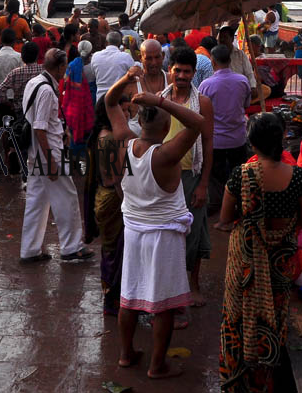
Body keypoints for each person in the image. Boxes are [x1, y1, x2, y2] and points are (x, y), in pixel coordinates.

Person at [104, 66, 204, 379]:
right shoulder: (165, 154)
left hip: (134, 230)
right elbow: (197, 122)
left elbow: (109, 102)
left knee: (129, 297)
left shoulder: (123, 142)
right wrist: (161, 101)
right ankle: (157, 365)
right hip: (163, 235)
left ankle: (125, 354)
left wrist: (125, 80)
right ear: (164, 127)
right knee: (163, 304)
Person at [219, 113, 302, 392]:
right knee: (274, 317)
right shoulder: (297, 177)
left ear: (251, 142)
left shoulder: (241, 175)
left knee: (238, 319)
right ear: (281, 139)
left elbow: (225, 217)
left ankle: (239, 380)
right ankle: (268, 377)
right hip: (280, 262)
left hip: (246, 262)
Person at [20, 48, 93, 263]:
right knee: (67, 198)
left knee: (37, 202)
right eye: (64, 67)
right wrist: (51, 161)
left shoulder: (35, 83)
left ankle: (30, 249)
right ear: (60, 67)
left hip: (37, 153)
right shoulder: (46, 90)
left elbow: (40, 123)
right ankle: (72, 247)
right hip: (48, 154)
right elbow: (40, 128)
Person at [159, 49, 213, 307]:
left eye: (186, 71)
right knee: (167, 233)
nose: (181, 76)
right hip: (163, 176)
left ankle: (192, 284)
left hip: (192, 174)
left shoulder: (202, 103)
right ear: (170, 70)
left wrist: (203, 184)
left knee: (194, 232)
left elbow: (209, 142)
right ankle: (170, 285)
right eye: (177, 70)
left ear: (193, 74)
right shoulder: (159, 101)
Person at [83, 96, 131, 315]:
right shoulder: (109, 139)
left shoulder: (101, 134)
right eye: (122, 109)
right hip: (113, 199)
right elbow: (115, 179)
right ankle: (112, 298)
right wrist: (128, 204)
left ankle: (112, 295)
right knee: (114, 250)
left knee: (111, 248)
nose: (126, 114)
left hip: (104, 198)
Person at [199, 45, 252, 214]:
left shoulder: (206, 85)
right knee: (238, 175)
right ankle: (236, 206)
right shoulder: (242, 81)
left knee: (216, 177)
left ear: (212, 62)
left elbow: (201, 112)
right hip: (238, 138)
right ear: (229, 61)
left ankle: (218, 206)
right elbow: (247, 104)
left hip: (216, 140)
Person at [62, 40, 96, 155]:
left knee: (74, 129)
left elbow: (65, 82)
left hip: (74, 103)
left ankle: (75, 159)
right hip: (90, 101)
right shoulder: (93, 66)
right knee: (89, 128)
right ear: (90, 51)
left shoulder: (72, 65)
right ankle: (88, 158)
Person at [0, 43, 43, 119]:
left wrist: (10, 105)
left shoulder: (15, 73)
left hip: (21, 110)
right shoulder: (44, 70)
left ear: (21, 57)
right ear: (37, 56)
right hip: (40, 109)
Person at [0, 28, 24, 124]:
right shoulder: (19, 56)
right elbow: (21, 80)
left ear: (0, 39)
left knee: (3, 128)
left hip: (0, 98)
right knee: (16, 126)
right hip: (15, 98)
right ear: (14, 41)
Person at [92, 31, 136, 101]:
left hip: (100, 98)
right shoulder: (125, 57)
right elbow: (136, 70)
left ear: (106, 42)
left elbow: (94, 74)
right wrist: (132, 49)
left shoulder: (95, 56)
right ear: (119, 44)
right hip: (118, 98)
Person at [217, 25, 258, 98]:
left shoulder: (240, 55)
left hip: (240, 90)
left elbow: (249, 73)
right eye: (220, 37)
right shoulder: (215, 55)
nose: (222, 40)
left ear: (232, 39)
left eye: (225, 37)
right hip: (222, 91)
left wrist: (253, 87)